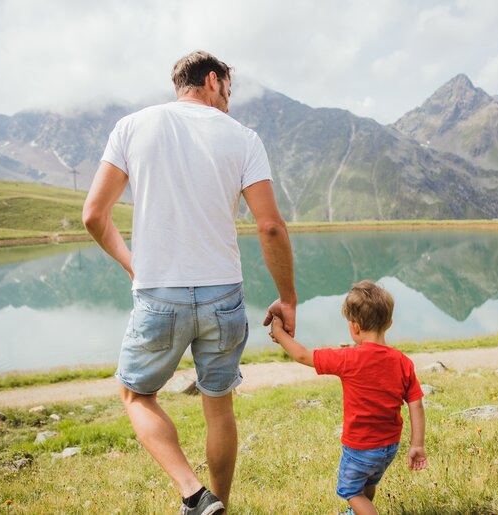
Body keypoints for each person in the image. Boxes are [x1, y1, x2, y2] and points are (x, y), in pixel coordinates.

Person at [83, 50, 296, 515]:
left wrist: (133, 264)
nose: (228, 104)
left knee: (136, 395)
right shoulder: (244, 138)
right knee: (219, 407)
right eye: (228, 93)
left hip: (159, 294)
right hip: (223, 295)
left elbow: (94, 215)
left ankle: (193, 494)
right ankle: (216, 503)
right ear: (213, 81)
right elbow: (271, 227)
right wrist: (287, 298)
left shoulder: (132, 127)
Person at [269, 280, 426, 515]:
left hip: (360, 447)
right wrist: (417, 444)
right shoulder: (403, 362)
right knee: (367, 483)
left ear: (354, 328)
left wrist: (279, 332)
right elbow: (416, 404)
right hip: (389, 447)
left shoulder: (348, 359)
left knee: (351, 490)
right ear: (389, 323)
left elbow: (302, 355)